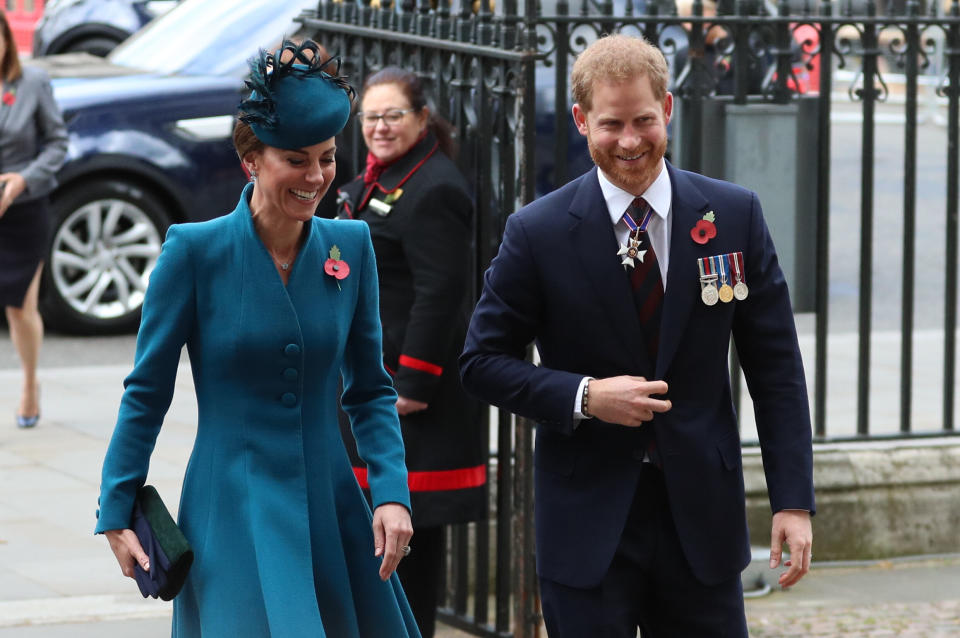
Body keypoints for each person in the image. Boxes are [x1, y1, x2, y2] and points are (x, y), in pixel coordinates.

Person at [460, 34, 814, 637]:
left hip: (700, 517)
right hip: (588, 524)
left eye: (644, 121)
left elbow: (776, 368)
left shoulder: (733, 215)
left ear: (668, 109)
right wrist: (584, 397)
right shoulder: (537, 233)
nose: (630, 141)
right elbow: (481, 361)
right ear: (581, 121)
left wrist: (793, 500)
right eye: (611, 124)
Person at [95, 40, 421, 638]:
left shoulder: (353, 248)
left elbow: (370, 391)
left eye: (326, 158)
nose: (317, 176)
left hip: (331, 507)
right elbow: (146, 393)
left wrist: (392, 494)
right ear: (252, 159)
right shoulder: (194, 253)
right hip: (231, 509)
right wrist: (115, 509)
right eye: (296, 160)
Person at [335, 67, 486, 638]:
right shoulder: (381, 179)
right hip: (377, 392)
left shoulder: (436, 186)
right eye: (371, 116)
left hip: (411, 406)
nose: (379, 126)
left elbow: (442, 294)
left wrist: (413, 384)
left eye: (393, 115)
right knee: (376, 556)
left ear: (422, 119)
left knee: (409, 564)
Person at [0, 9, 68, 429]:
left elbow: (57, 144)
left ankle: (28, 383)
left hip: (24, 211)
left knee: (19, 309)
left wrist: (23, 180)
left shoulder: (34, 82)